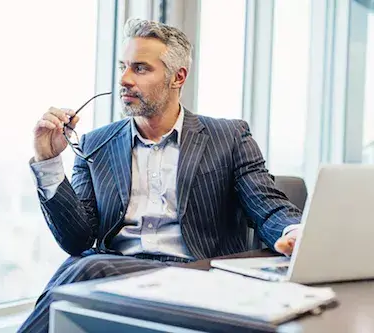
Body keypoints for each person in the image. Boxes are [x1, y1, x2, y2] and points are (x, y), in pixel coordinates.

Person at [18, 18, 302, 333]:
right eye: (122, 67)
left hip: (198, 277)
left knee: (86, 266)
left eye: (140, 68)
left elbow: (268, 204)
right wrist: (48, 161)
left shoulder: (229, 136)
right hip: (121, 277)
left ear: (177, 77)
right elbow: (77, 239)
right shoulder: (95, 144)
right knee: (84, 263)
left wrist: (293, 232)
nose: (124, 79)